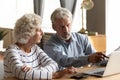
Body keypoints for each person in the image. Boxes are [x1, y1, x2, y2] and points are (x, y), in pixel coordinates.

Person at [4, 13, 77, 80]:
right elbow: (22, 74)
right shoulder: (12, 51)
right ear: (28, 34)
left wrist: (33, 72)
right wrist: (55, 75)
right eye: (38, 30)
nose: (42, 32)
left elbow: (54, 65)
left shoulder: (35, 48)